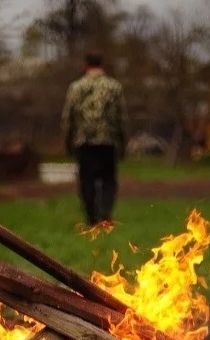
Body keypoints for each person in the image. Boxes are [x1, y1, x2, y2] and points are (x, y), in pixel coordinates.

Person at [61, 50, 126, 226]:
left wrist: (67, 141)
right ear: (102, 63)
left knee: (86, 180)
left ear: (85, 64)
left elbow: (68, 117)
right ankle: (105, 215)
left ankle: (91, 218)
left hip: (84, 141)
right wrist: (123, 142)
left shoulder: (76, 87)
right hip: (107, 140)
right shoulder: (114, 87)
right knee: (108, 180)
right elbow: (122, 117)